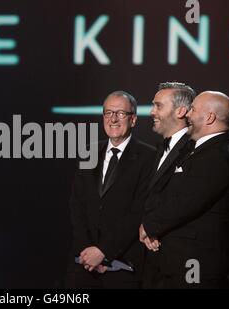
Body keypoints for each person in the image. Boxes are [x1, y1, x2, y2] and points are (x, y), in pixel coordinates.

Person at [140, 91, 229, 288]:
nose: (188, 115)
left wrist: (149, 226)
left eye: (193, 109)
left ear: (210, 117)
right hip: (180, 262)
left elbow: (185, 202)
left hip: (195, 264)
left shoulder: (216, 157)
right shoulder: (202, 152)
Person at [65, 91, 155, 288]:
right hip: (84, 263)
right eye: (108, 113)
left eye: (121, 113)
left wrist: (103, 252)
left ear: (133, 120)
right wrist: (88, 252)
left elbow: (138, 212)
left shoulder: (148, 157)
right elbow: (76, 205)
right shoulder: (88, 152)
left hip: (122, 265)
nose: (113, 119)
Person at [140, 82, 196, 288]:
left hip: (180, 259)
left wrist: (152, 228)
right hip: (152, 258)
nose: (152, 112)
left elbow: (185, 199)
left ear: (181, 111)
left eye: (158, 106)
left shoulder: (195, 150)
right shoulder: (158, 150)